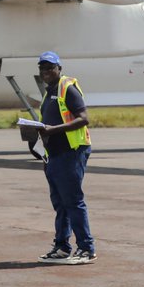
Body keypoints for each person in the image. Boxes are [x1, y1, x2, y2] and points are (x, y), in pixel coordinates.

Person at [35, 51, 97, 263]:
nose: (46, 72)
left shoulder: (67, 89)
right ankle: (62, 246)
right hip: (54, 154)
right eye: (43, 68)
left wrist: (52, 130)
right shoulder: (48, 92)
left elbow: (83, 119)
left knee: (73, 200)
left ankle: (86, 248)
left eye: (50, 67)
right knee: (60, 202)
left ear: (59, 68)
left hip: (72, 151)